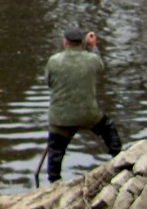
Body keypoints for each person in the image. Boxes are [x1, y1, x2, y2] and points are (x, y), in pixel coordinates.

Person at [45, 28, 122, 183]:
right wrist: (93, 46)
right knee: (108, 129)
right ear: (81, 42)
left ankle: (54, 181)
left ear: (65, 42)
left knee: (56, 151)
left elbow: (49, 83)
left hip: (61, 118)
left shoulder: (54, 61)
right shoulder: (92, 59)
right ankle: (119, 160)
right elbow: (100, 65)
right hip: (88, 115)